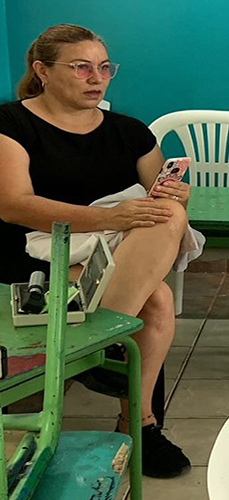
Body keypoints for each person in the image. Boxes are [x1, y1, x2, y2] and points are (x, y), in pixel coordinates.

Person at [0, 24, 191, 478]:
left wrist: (177, 196)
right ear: (42, 71)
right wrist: (110, 218)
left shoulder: (129, 131)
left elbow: (160, 194)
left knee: (167, 215)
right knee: (157, 298)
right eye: (81, 67)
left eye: (104, 68)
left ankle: (105, 345)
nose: (96, 78)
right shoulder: (10, 124)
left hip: (108, 254)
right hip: (31, 256)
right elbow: (13, 206)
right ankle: (138, 422)